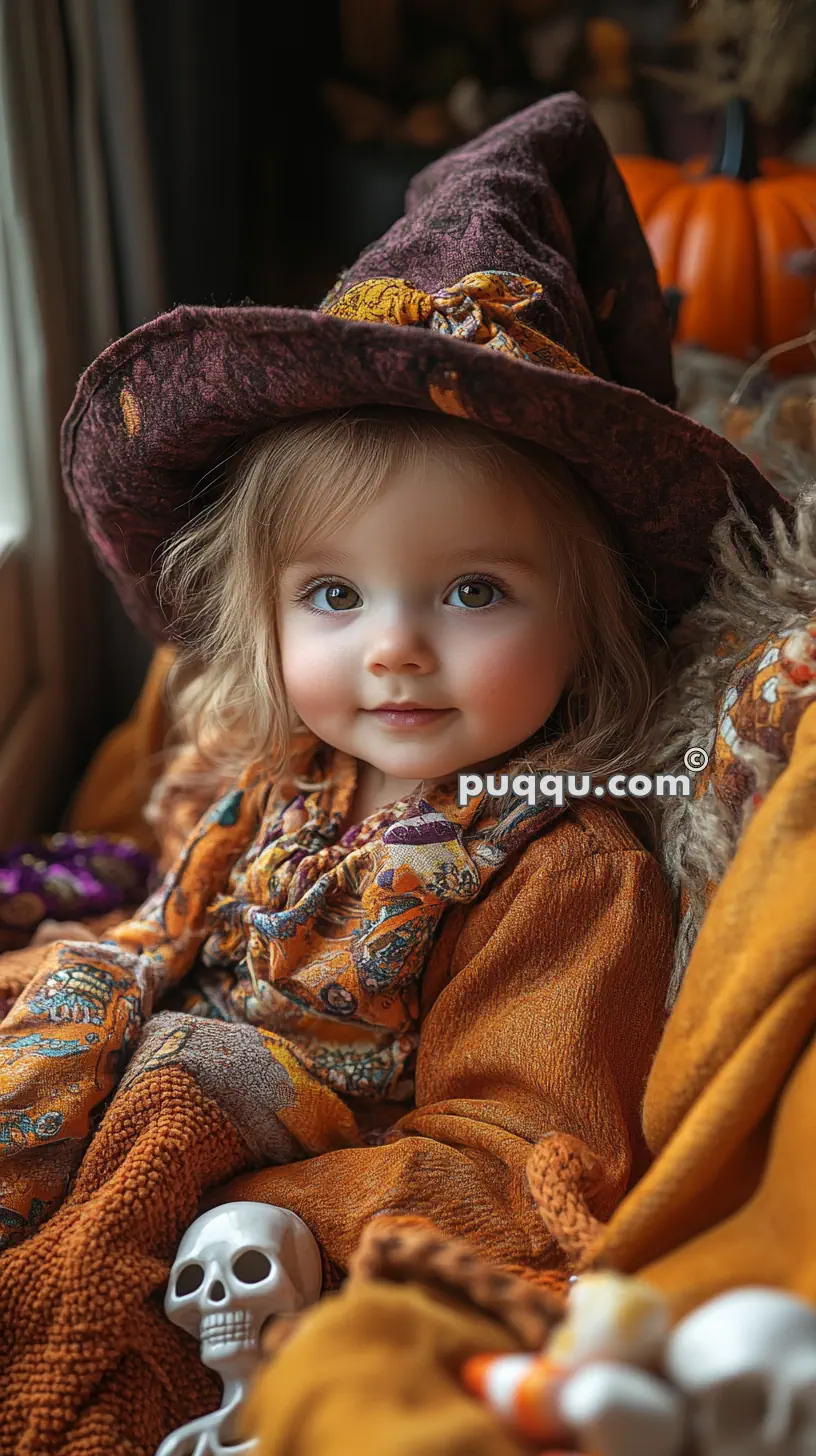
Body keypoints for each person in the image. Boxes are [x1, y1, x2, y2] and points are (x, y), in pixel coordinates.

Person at [0, 93, 784, 1454]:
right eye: (334, 597)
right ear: (264, 614)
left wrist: (294, 1218)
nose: (396, 653)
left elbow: (519, 1154)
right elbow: (177, 930)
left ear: (591, 622)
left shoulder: (560, 866)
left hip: (255, 1238)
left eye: (473, 590)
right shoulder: (288, 776)